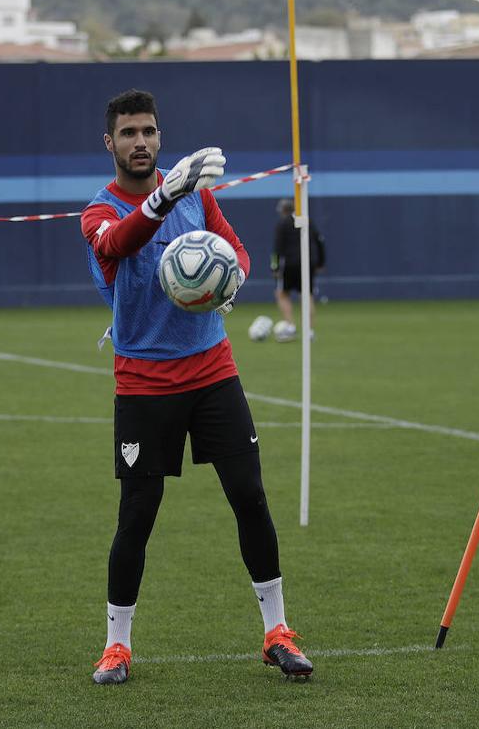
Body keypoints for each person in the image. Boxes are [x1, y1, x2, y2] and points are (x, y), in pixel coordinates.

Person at [80, 88, 312, 685]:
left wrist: (232, 275)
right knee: (138, 514)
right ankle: (116, 646)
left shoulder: (197, 197)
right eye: (128, 133)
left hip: (212, 371)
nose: (140, 142)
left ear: (160, 137)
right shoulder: (98, 213)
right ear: (110, 143)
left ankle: (278, 633)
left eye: (149, 132)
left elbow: (235, 249)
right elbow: (119, 243)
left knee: (249, 496)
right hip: (143, 383)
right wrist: (163, 195)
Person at [271, 198, 325, 338]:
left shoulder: (282, 224)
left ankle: (290, 326)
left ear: (283, 211)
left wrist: (274, 267)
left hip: (289, 263)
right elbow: (320, 241)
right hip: (308, 262)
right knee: (307, 295)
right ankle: (309, 330)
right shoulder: (307, 221)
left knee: (282, 293)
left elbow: (277, 248)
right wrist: (320, 262)